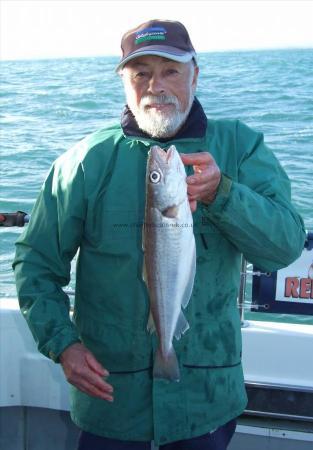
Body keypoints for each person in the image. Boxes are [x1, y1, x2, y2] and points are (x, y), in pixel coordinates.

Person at [13, 19, 306, 450]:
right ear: (124, 83)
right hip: (112, 401)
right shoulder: (83, 162)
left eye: (170, 70)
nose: (155, 86)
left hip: (206, 399)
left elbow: (284, 246)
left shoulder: (242, 147)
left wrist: (223, 194)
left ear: (196, 74)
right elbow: (35, 264)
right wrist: (64, 345)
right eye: (141, 73)